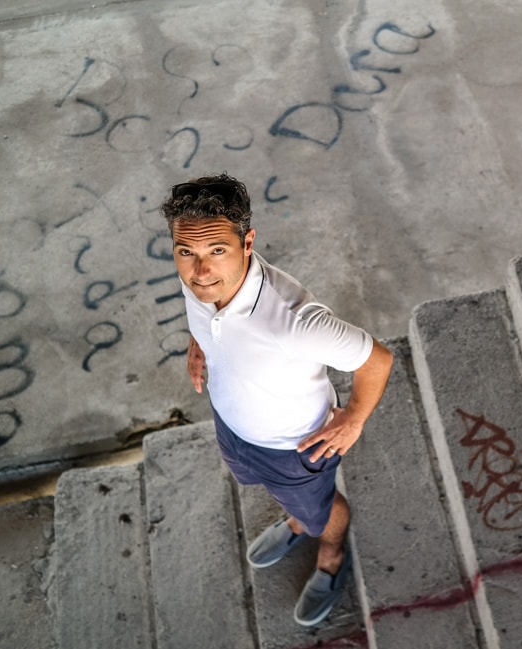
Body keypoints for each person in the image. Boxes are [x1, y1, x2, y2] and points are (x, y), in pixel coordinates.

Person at [160, 173, 393, 627]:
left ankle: (329, 554)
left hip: (294, 448)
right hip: (233, 427)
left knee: (321, 510)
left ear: (247, 243)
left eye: (217, 252)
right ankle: (296, 521)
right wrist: (200, 340)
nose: (200, 271)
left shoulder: (294, 320)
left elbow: (377, 361)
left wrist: (353, 420)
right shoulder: (199, 281)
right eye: (186, 252)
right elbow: (202, 303)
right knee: (288, 501)